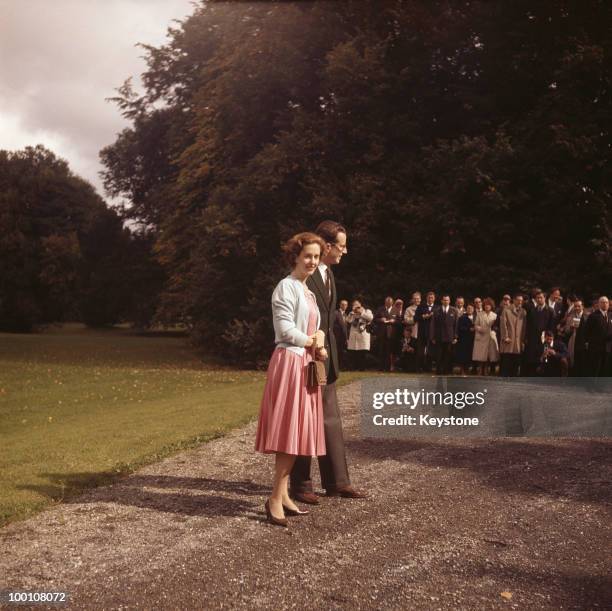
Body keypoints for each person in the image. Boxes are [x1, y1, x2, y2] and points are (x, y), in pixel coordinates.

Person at [290, 221, 366, 503]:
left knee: (330, 420)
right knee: (305, 419)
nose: (345, 251)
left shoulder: (328, 273)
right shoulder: (305, 274)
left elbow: (331, 315)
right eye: (342, 246)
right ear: (328, 245)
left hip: (326, 356)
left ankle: (337, 482)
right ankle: (300, 485)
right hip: (307, 354)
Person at [255, 232, 327, 526]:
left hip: (305, 364)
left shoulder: (306, 291)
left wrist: (318, 338)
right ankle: (274, 497)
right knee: (289, 433)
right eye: (308, 255)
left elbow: (314, 328)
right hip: (290, 362)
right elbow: (285, 331)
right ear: (296, 256)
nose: (312, 261)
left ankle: (283, 496)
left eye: (316, 257)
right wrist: (313, 341)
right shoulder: (285, 287)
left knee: (296, 433)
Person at [523, 290, 555, 376]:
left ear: (545, 298)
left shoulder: (550, 311)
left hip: (544, 337)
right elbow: (528, 325)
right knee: (532, 357)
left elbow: (552, 327)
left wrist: (549, 339)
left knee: (543, 358)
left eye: (541, 297)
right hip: (532, 338)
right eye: (537, 298)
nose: (539, 299)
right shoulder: (532, 310)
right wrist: (526, 337)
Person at [429, 294, 458, 375]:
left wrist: (455, 336)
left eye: (447, 300)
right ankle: (438, 371)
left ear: (449, 301)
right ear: (442, 301)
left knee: (448, 355)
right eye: (444, 300)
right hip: (439, 336)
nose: (446, 301)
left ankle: (446, 371)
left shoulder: (454, 310)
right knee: (438, 355)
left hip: (450, 337)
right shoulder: (436, 310)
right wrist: (432, 337)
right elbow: (432, 324)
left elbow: (456, 325)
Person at [499, 294, 526, 377]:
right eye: (518, 300)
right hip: (509, 339)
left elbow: (524, 326)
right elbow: (503, 325)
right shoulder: (506, 310)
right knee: (506, 361)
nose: (520, 302)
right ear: (514, 300)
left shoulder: (523, 312)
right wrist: (505, 337)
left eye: (521, 300)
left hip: (518, 341)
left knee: (516, 362)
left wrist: (523, 339)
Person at [584, 296, 612, 376]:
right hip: (596, 347)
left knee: (605, 368)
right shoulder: (593, 316)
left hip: (607, 347)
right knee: (595, 368)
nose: (605, 304)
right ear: (599, 304)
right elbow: (586, 331)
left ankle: (601, 386)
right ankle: (592, 386)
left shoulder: (610, 315)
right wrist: (588, 343)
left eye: (606, 302)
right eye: (603, 302)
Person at [561, 299, 588, 376]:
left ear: (582, 306)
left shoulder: (587, 316)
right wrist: (571, 328)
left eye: (579, 306)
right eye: (575, 306)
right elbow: (566, 331)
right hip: (573, 342)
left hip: (583, 342)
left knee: (582, 361)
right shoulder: (570, 317)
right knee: (573, 360)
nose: (577, 308)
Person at [472, 297, 499, 375]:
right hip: (481, 336)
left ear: (491, 306)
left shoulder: (494, 315)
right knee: (480, 355)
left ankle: (486, 369)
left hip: (490, 337)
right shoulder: (480, 314)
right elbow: (476, 325)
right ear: (483, 306)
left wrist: (494, 331)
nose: (487, 306)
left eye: (489, 305)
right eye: (486, 305)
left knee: (488, 355)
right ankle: (480, 369)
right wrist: (481, 329)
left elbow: (496, 326)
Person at [346, 300, 373, 371]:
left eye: (357, 305)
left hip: (363, 334)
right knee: (354, 352)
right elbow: (348, 320)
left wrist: (361, 313)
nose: (356, 307)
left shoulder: (366, 311)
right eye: (354, 305)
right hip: (354, 334)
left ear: (360, 305)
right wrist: (352, 314)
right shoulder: (352, 313)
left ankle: (362, 368)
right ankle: (353, 368)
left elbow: (370, 318)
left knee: (362, 352)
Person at [415, 291, 436, 372]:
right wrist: (423, 316)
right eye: (429, 297)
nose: (430, 299)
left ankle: (428, 368)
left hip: (432, 333)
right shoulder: (421, 306)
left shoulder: (437, 308)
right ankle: (419, 368)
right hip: (422, 332)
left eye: (432, 298)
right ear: (426, 298)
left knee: (430, 352)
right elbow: (415, 318)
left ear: (434, 299)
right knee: (420, 352)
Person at [375, 296, 396, 371]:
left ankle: (387, 368)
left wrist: (394, 321)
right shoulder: (380, 309)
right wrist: (380, 319)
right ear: (385, 302)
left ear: (392, 303)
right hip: (381, 333)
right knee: (381, 351)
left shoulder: (395, 310)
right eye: (387, 303)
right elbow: (375, 319)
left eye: (390, 303)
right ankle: (380, 367)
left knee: (389, 351)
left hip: (390, 333)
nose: (388, 304)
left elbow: (399, 320)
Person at [455, 303, 476, 375]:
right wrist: (469, 329)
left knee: (470, 355)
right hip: (464, 339)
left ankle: (467, 369)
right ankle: (462, 369)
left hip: (473, 339)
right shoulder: (462, 317)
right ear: (466, 309)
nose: (470, 310)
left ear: (473, 309)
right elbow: (460, 328)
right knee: (463, 355)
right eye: (468, 308)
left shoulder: (476, 317)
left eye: (471, 308)